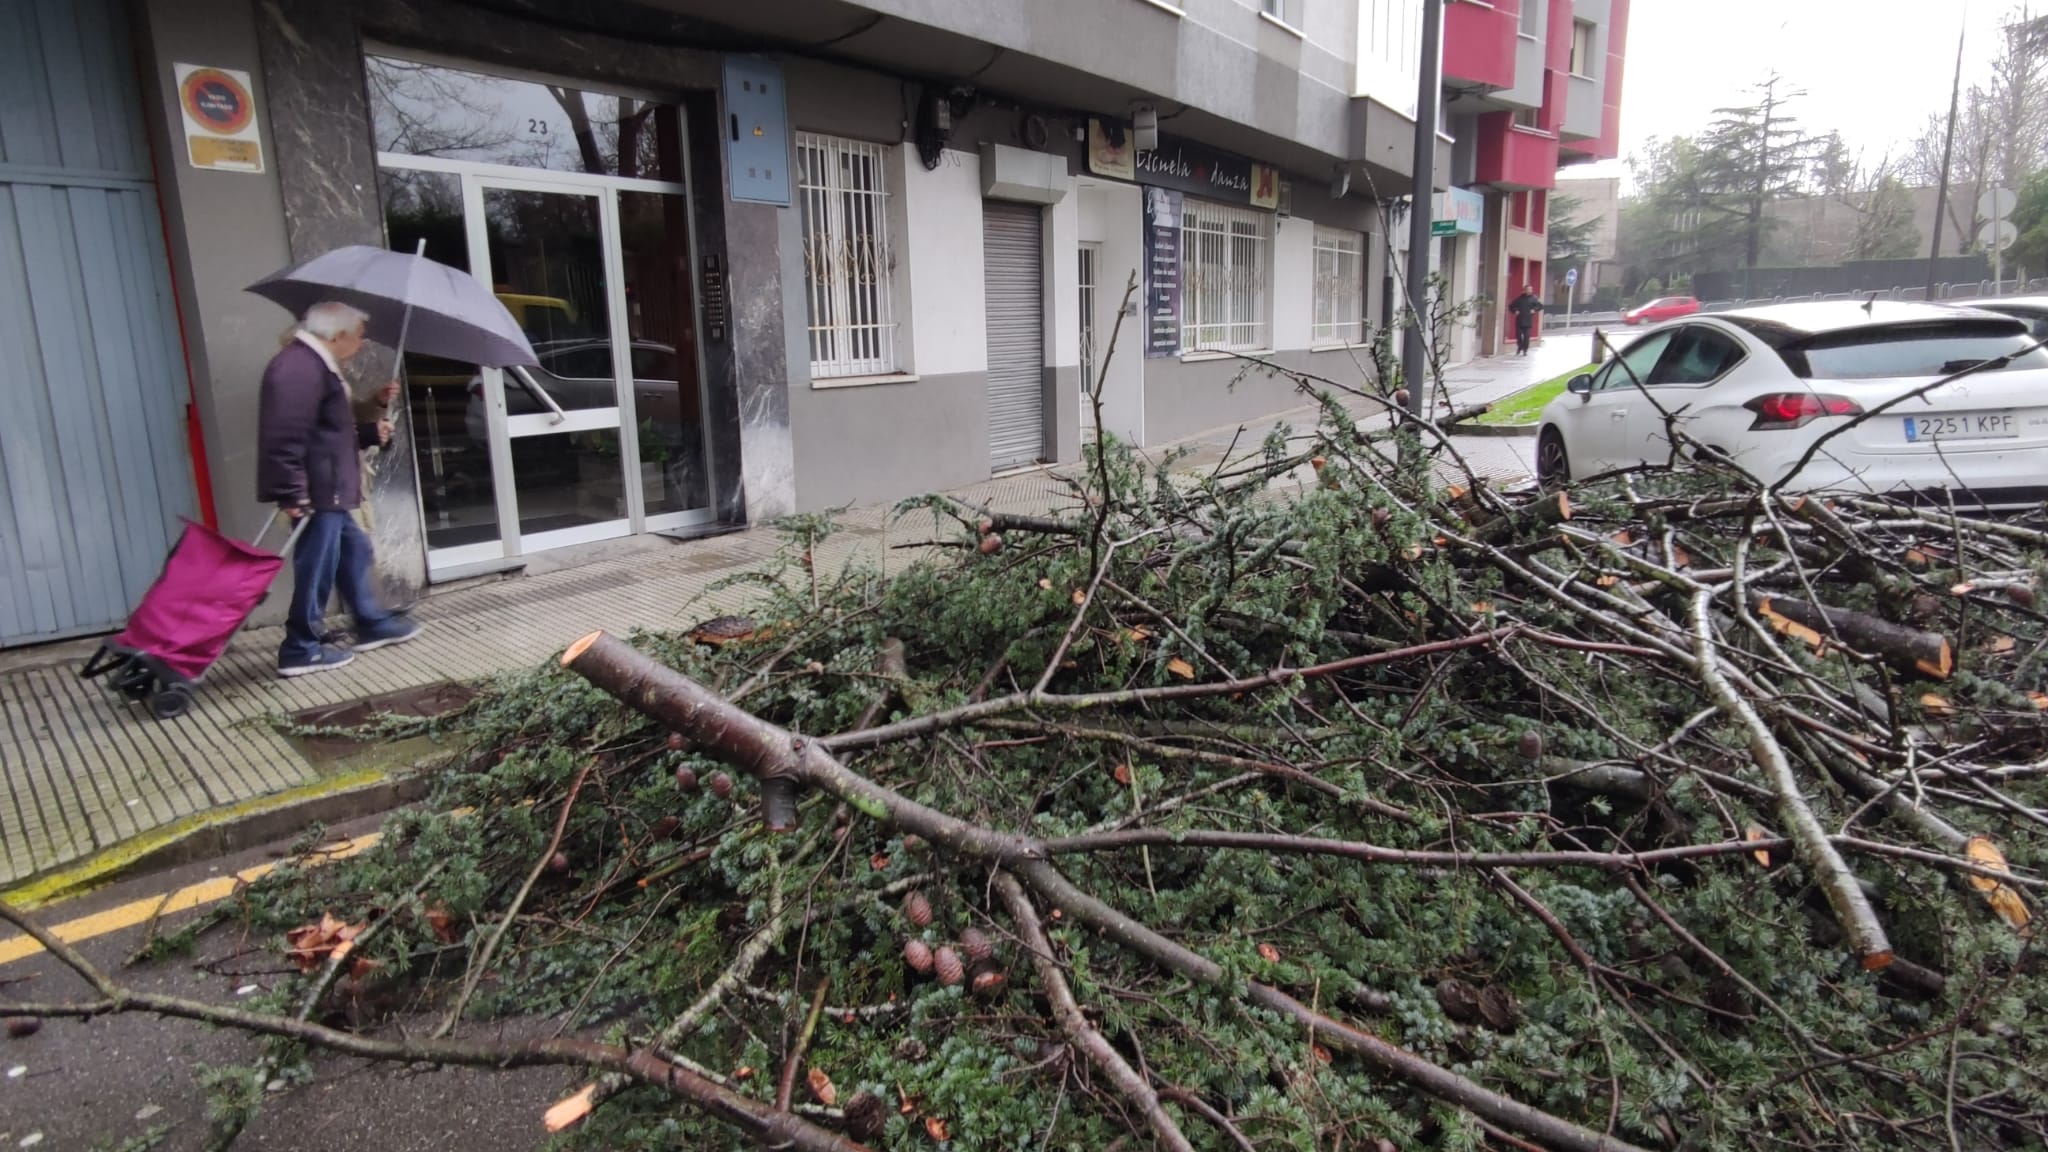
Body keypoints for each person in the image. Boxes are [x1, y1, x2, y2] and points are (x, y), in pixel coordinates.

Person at [257, 301, 421, 677]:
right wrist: (291, 491)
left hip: (328, 485)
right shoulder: (299, 368)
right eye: (359, 336)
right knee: (317, 565)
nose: (361, 344)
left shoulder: (312, 365)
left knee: (354, 551)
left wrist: (367, 430)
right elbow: (284, 435)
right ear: (338, 334)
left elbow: (325, 431)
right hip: (319, 488)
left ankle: (370, 620)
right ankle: (300, 647)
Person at [1508, 287, 1545, 356]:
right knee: (1518, 335)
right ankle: (1520, 346)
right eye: (1528, 290)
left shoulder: (1534, 298)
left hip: (1528, 321)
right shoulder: (1519, 299)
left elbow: (1540, 306)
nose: (1530, 291)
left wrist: (1534, 310)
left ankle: (1525, 350)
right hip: (1519, 320)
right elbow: (1511, 306)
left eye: (1531, 290)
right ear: (1524, 291)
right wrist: (1515, 311)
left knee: (1526, 337)